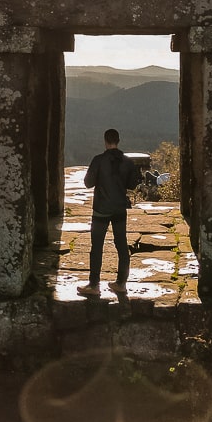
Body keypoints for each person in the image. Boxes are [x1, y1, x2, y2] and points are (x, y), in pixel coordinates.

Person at [78, 128, 141, 298]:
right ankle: (121, 283)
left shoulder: (98, 160)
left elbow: (88, 183)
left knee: (97, 247)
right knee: (121, 245)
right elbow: (133, 184)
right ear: (118, 141)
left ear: (105, 141)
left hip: (101, 210)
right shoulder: (127, 162)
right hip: (120, 209)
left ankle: (94, 285)